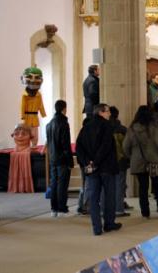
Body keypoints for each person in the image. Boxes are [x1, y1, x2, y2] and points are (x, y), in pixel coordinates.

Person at [76, 103, 121, 235]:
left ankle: (96, 228)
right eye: (107, 111)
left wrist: (87, 163)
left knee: (94, 198)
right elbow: (106, 146)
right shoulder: (107, 126)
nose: (109, 114)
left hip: (92, 169)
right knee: (109, 196)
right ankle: (109, 224)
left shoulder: (86, 127)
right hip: (106, 167)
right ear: (101, 112)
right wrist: (95, 162)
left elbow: (79, 147)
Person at [123, 105, 158, 218]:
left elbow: (125, 146)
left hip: (138, 161)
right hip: (154, 160)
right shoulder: (153, 127)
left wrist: (131, 156)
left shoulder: (132, 129)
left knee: (142, 188)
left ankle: (145, 212)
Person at [46, 100, 74, 217]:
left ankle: (54, 209)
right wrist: (70, 160)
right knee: (62, 184)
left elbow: (49, 143)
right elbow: (65, 144)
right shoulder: (63, 123)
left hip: (52, 158)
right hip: (62, 159)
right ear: (64, 109)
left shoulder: (49, 124)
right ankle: (62, 208)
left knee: (54, 183)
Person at [109, 106, 130, 217]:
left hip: (107, 161)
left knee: (108, 186)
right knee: (120, 184)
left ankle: (109, 208)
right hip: (121, 160)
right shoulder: (122, 129)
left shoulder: (105, 128)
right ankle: (119, 208)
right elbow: (126, 147)